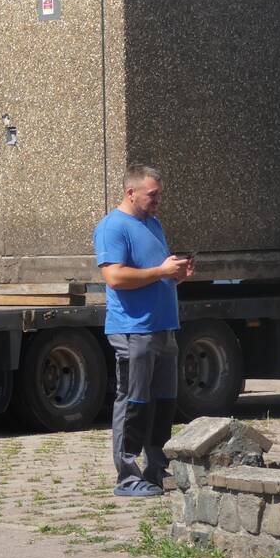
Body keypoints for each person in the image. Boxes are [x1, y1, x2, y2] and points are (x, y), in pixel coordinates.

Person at [93, 164, 193, 497]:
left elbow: (155, 273)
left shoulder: (153, 224)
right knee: (133, 401)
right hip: (133, 330)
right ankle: (127, 476)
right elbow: (115, 277)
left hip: (164, 327)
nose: (158, 200)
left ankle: (156, 468)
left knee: (164, 402)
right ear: (130, 192)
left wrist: (174, 273)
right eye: (153, 195)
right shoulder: (112, 227)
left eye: (160, 194)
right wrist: (160, 270)